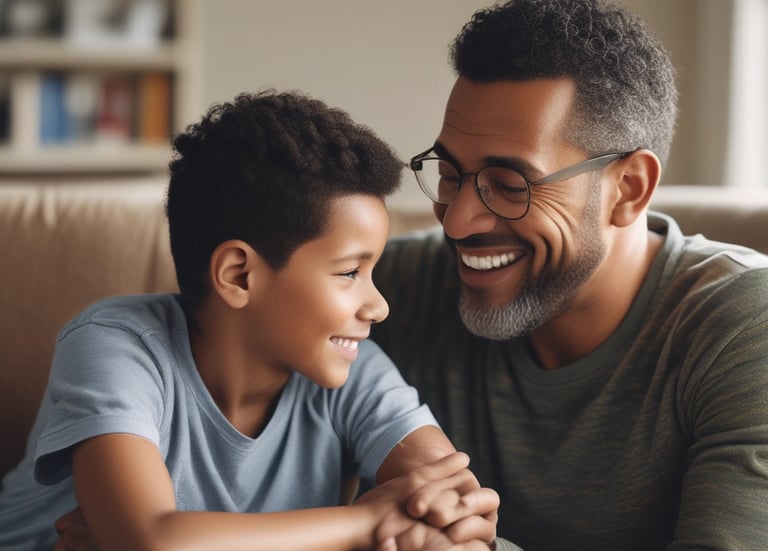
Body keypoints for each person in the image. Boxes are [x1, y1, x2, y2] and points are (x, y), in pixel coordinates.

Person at [0, 90, 499, 550]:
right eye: (350, 272)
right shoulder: (114, 346)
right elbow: (151, 540)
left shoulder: (353, 369)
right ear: (239, 275)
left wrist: (445, 519)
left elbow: (453, 513)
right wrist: (362, 524)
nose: (378, 306)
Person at [370, 0, 768, 550]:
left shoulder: (746, 328)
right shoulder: (386, 290)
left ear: (628, 189)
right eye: (449, 174)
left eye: (511, 184)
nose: (458, 221)